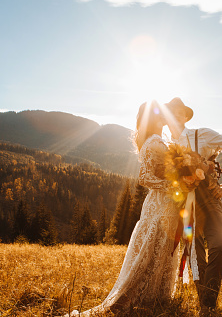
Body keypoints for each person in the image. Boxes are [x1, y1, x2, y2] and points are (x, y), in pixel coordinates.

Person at [67, 101, 180, 316]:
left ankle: (157, 297)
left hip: (164, 204)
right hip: (160, 204)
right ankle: (144, 297)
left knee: (162, 248)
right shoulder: (154, 142)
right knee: (153, 248)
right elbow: (144, 177)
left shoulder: (155, 140)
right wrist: (172, 185)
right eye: (160, 114)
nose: (164, 117)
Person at [164, 97, 222, 314]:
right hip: (184, 205)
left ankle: (208, 301)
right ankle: (207, 305)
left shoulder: (201, 134)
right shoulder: (166, 146)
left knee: (220, 246)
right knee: (196, 256)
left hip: (210, 200)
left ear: (185, 116)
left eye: (178, 112)